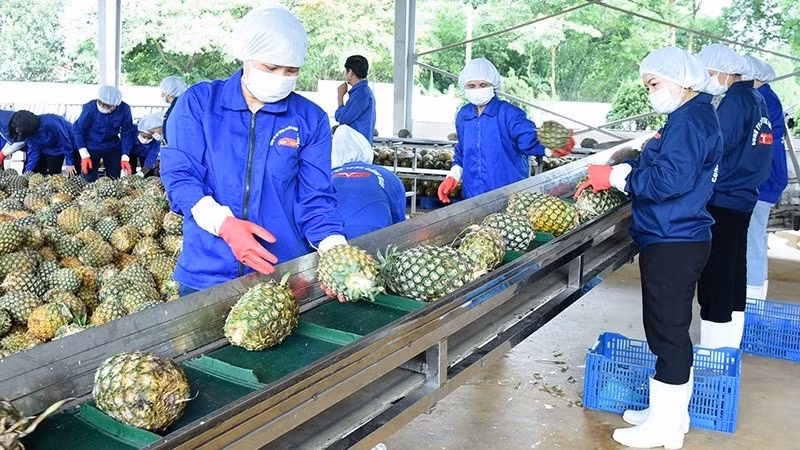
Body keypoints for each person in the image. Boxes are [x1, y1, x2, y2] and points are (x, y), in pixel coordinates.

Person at [576, 47, 720, 449]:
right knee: (667, 329)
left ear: (680, 79)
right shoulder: (688, 117)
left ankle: (666, 428)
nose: (651, 92)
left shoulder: (690, 121)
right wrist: (630, 163)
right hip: (676, 236)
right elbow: (665, 167)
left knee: (668, 333)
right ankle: (669, 412)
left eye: (654, 84)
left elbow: (667, 182)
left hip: (674, 238)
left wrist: (618, 176)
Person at [161, 4, 346, 295]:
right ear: (246, 56)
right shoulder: (199, 104)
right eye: (271, 67)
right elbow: (181, 177)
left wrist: (336, 251)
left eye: (291, 70)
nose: (280, 77)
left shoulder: (309, 119)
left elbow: (316, 200)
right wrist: (223, 224)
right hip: (206, 274)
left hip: (283, 274)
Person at [696, 44, 773, 349]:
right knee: (733, 269)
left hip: (724, 196)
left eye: (708, 73)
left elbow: (716, 146)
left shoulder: (734, 102)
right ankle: (729, 341)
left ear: (723, 71)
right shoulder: (756, 99)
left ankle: (714, 349)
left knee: (716, 274)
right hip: (743, 196)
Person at [437, 58, 573, 204]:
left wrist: (551, 147)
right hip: (473, 199)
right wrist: (453, 176)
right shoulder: (464, 116)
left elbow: (528, 138)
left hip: (509, 198)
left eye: (483, 84)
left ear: (493, 85)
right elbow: (462, 152)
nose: (477, 89)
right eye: (471, 85)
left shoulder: (508, 114)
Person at [743, 56, 787, 301]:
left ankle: (753, 298)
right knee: (753, 237)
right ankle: (754, 294)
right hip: (766, 178)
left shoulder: (763, 100)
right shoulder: (765, 97)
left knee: (752, 239)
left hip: (763, 181)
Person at [331, 125, 405, 239]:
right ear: (365, 148)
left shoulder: (327, 175)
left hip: (329, 235)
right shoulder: (388, 175)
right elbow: (399, 224)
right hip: (375, 234)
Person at [72, 86, 135, 181]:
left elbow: (127, 132)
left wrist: (125, 156)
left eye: (108, 106)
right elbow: (78, 130)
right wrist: (84, 154)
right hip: (91, 146)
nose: (103, 107)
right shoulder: (90, 108)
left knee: (115, 178)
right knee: (88, 179)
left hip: (112, 147)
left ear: (116, 105)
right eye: (100, 103)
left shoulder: (124, 109)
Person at [6, 111, 76, 175]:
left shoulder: (51, 123)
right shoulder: (29, 134)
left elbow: (65, 142)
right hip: (46, 147)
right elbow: (33, 153)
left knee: (55, 172)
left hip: (65, 144)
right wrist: (27, 172)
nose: (17, 131)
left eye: (18, 129)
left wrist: (70, 163)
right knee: (38, 169)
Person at [335, 55, 377, 146]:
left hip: (357, 148)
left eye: (345, 71)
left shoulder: (360, 94)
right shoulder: (363, 92)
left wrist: (340, 97)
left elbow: (343, 118)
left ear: (350, 72)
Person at [124, 113, 163, 178]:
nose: (146, 139)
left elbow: (151, 159)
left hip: (146, 155)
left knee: (148, 175)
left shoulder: (156, 141)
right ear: (139, 132)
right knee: (130, 170)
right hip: (131, 152)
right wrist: (125, 156)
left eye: (149, 137)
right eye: (144, 136)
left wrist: (142, 173)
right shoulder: (132, 130)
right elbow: (126, 145)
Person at [160, 76, 187, 145]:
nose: (161, 94)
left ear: (168, 91)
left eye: (163, 90)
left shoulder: (175, 109)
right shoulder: (182, 105)